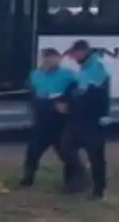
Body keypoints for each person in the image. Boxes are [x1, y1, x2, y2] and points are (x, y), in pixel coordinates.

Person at [20, 48, 79, 189]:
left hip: (60, 120)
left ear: (59, 59)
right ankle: (28, 179)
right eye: (47, 58)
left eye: (53, 58)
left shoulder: (68, 75)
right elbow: (32, 93)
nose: (50, 61)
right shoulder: (35, 75)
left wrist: (68, 103)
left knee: (67, 153)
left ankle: (73, 182)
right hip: (42, 118)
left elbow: (79, 91)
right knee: (33, 151)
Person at [66, 40, 112, 200]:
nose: (73, 57)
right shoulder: (86, 65)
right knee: (67, 146)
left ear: (83, 51)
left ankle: (99, 190)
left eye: (75, 54)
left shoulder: (97, 65)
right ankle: (77, 181)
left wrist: (103, 115)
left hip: (93, 118)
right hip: (81, 117)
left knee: (96, 156)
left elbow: (98, 93)